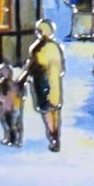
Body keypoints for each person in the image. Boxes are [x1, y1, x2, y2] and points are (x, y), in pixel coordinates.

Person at [22, 19, 65, 152]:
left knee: (47, 111)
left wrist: (23, 79)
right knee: (55, 110)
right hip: (55, 82)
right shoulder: (56, 47)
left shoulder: (37, 48)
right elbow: (62, 69)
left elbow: (31, 67)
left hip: (42, 82)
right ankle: (56, 135)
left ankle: (53, 137)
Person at [0, 60, 23, 147]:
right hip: (4, 108)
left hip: (14, 107)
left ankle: (16, 140)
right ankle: (10, 138)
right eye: (2, 71)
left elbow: (20, 95)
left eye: (6, 71)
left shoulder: (15, 84)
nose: (4, 73)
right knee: (7, 124)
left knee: (14, 124)